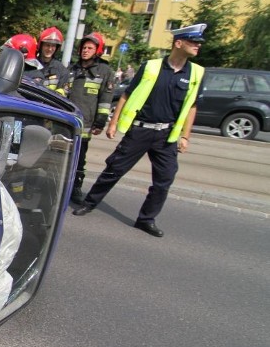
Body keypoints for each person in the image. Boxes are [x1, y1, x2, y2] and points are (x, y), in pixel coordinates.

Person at [72, 23, 207, 237]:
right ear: (178, 43)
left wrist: (185, 136)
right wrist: (114, 122)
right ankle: (89, 203)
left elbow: (192, 106)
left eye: (198, 43)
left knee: (165, 179)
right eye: (193, 42)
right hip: (141, 130)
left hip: (167, 135)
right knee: (114, 169)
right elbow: (127, 94)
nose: (197, 46)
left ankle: (146, 219)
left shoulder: (197, 73)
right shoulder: (152, 66)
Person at [66, 32, 115, 204]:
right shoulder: (72, 70)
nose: (85, 51)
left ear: (97, 51)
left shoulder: (104, 72)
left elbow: (105, 99)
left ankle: (76, 188)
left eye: (90, 48)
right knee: (62, 154)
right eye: (84, 47)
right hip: (67, 121)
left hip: (86, 123)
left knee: (80, 158)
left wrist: (100, 121)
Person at [32, 27, 70, 95]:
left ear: (56, 48)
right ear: (41, 46)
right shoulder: (31, 65)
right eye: (47, 45)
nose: (50, 49)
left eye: (53, 46)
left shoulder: (61, 70)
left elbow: (62, 93)